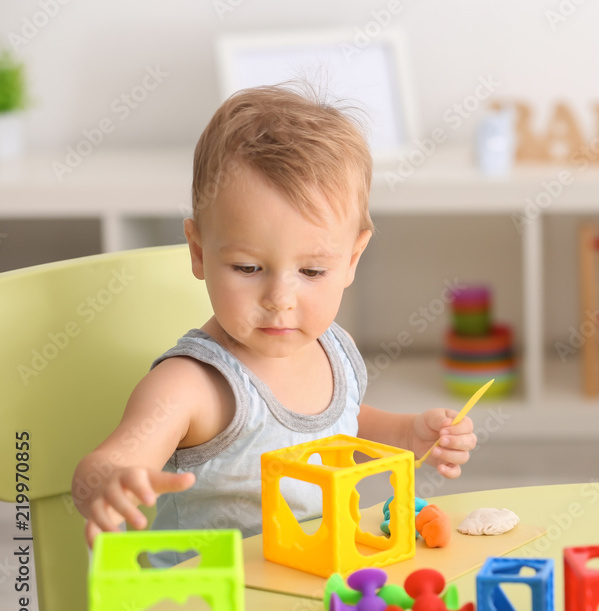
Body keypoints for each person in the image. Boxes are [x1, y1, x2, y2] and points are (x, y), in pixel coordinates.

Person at [71, 85, 477, 561]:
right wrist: (107, 484)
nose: (279, 300)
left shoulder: (334, 348)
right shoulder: (191, 384)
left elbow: (340, 427)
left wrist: (406, 434)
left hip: (313, 590)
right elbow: (110, 461)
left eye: (311, 271)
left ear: (352, 258)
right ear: (199, 252)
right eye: (248, 268)